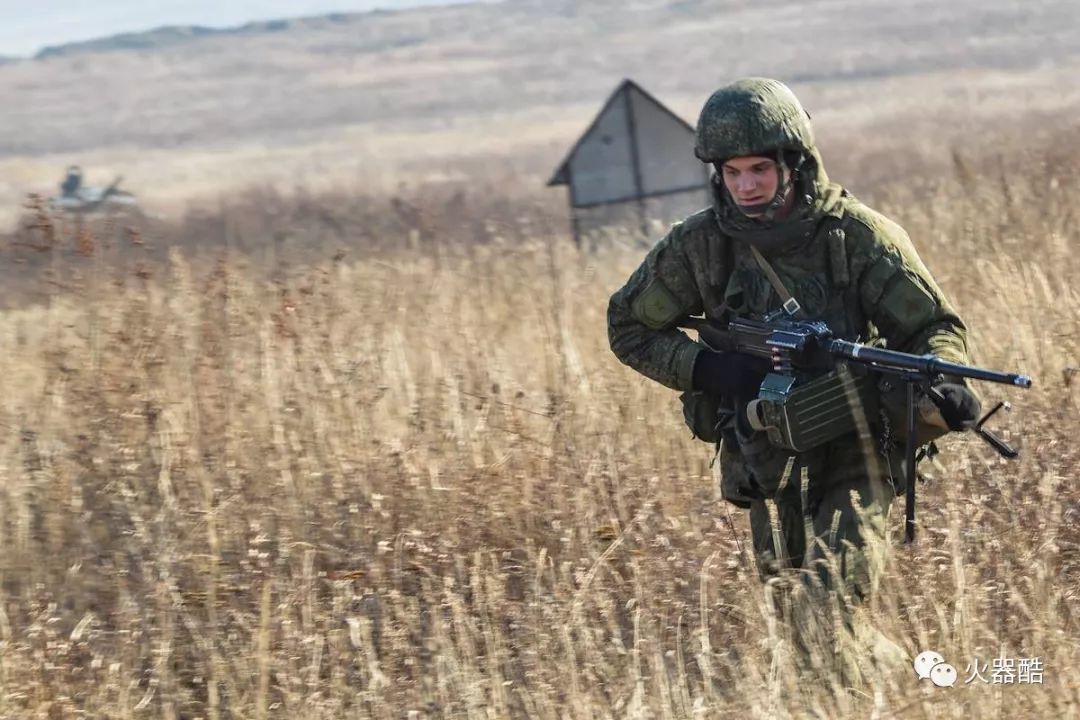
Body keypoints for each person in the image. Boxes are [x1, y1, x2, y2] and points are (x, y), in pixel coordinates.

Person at [607, 78, 981, 602]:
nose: (746, 186)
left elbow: (933, 327)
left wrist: (943, 378)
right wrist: (710, 369)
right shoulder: (700, 245)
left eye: (759, 169)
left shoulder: (855, 236)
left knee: (827, 608)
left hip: (859, 443)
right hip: (767, 456)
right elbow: (628, 325)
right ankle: (898, 675)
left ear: (795, 163)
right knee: (790, 613)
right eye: (731, 172)